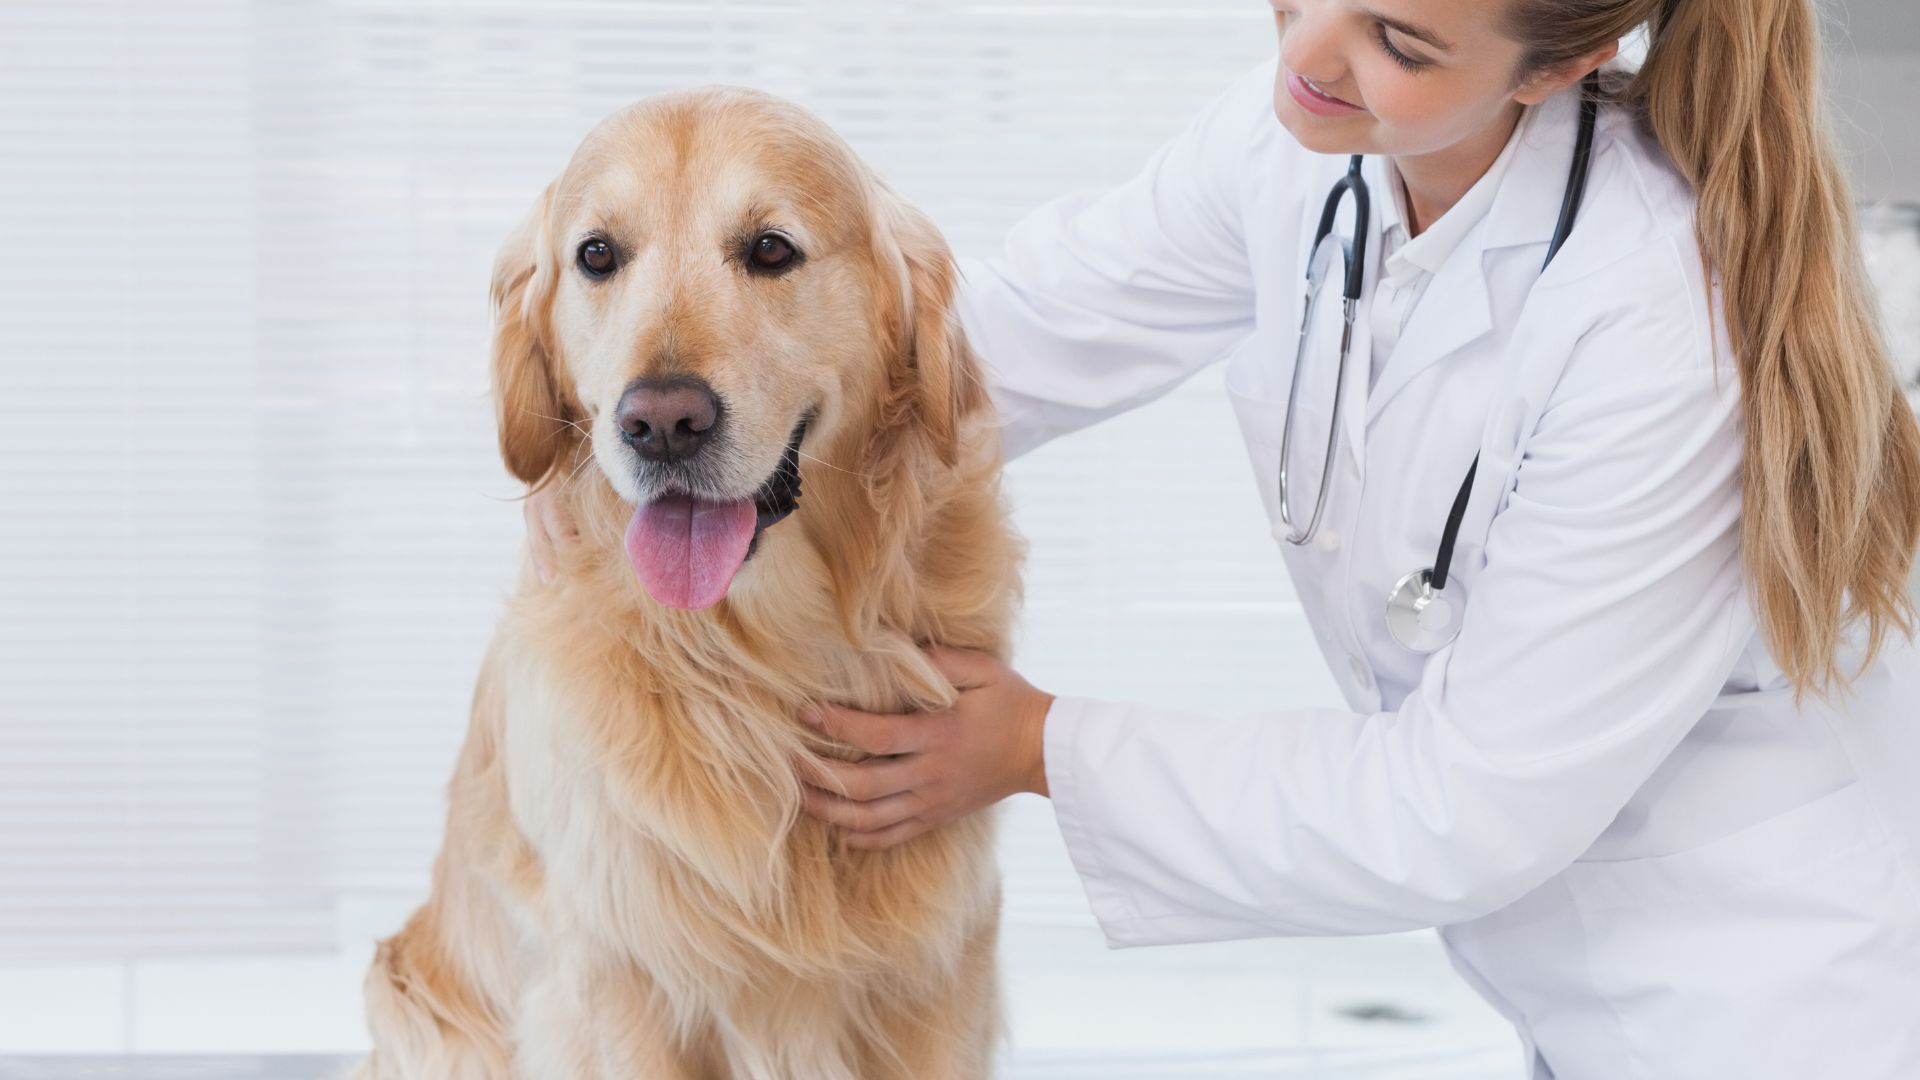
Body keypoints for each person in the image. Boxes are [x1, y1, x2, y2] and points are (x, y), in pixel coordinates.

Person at [524, 1, 1920, 1075]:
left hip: (1773, 1003)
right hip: (1575, 975)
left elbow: (1465, 801)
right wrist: (690, 429)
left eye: (1401, 38)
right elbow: (986, 348)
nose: (1312, 48)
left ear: (1553, 69)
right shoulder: (1310, 142)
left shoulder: (1652, 325)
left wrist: (1035, 747)